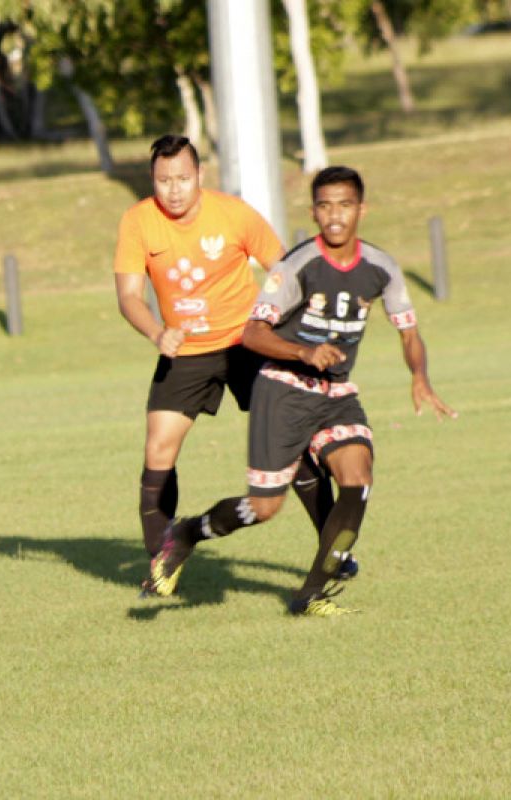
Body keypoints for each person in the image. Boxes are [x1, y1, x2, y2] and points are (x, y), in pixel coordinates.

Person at [151, 166, 456, 615]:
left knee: (358, 480)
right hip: (284, 392)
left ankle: (310, 595)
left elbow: (409, 333)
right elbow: (253, 335)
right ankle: (187, 534)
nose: (336, 216)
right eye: (326, 206)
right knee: (263, 508)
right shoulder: (297, 265)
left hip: (336, 395)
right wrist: (302, 352)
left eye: (345, 205)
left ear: (361, 209)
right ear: (313, 212)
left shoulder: (381, 268)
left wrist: (420, 376)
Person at [113, 135, 338, 597]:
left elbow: (284, 272)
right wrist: (158, 332)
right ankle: (162, 565)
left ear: (199, 176)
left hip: (247, 343)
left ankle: (334, 547)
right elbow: (129, 297)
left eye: (182, 178)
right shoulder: (138, 221)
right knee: (159, 449)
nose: (173, 189)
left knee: (289, 441)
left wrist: (297, 335)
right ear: (152, 180)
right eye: (163, 180)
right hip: (185, 351)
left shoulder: (233, 214)